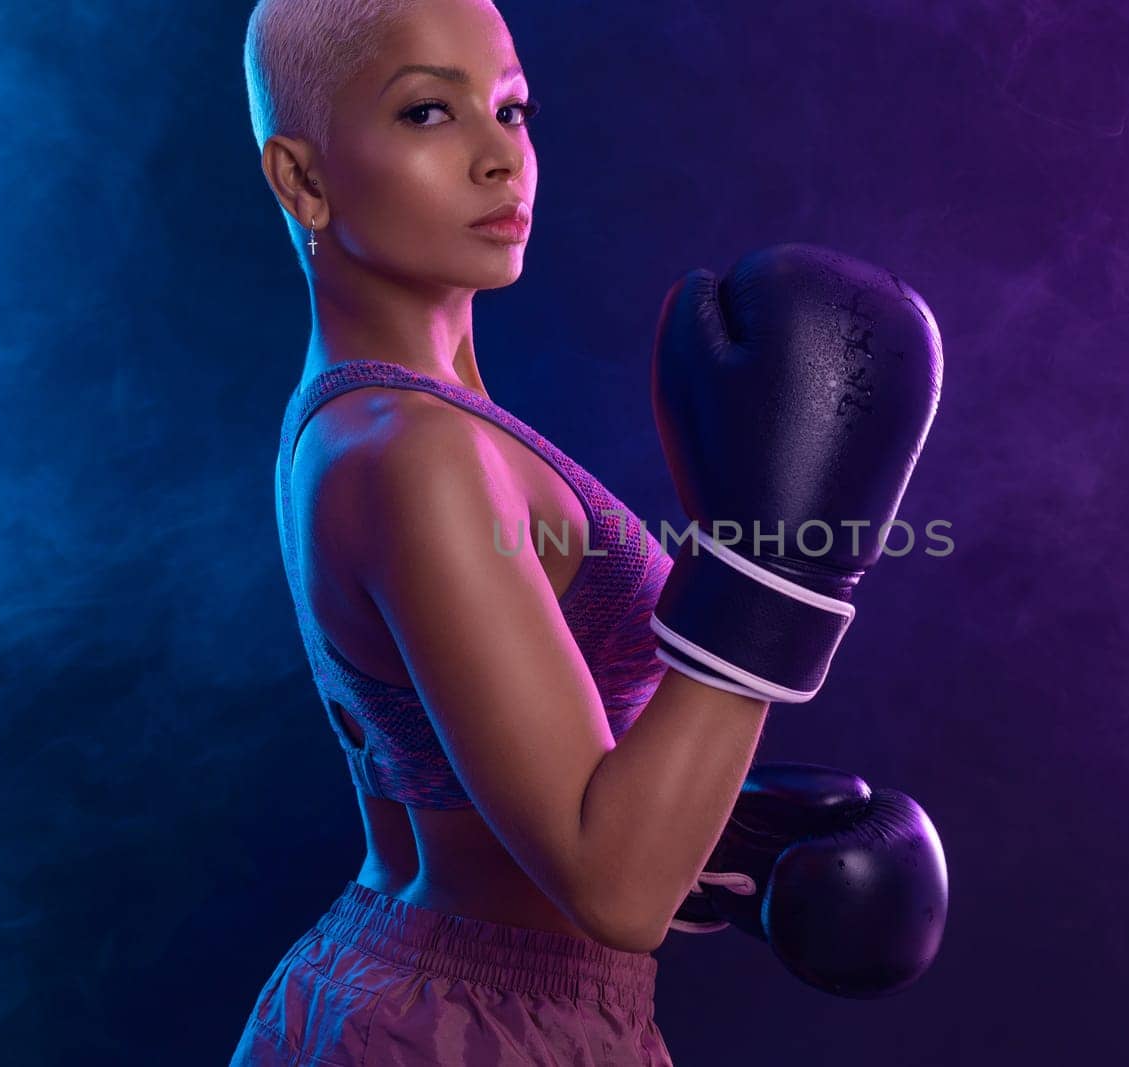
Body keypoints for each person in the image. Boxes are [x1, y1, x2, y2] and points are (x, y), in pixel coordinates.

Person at [230, 0, 943, 1063]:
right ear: (304, 179)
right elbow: (610, 883)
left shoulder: (382, 418)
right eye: (428, 112)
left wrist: (710, 833)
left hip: (447, 996)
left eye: (512, 110)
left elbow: (471, 775)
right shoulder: (411, 452)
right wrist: (774, 576)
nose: (496, 156)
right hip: (460, 1028)